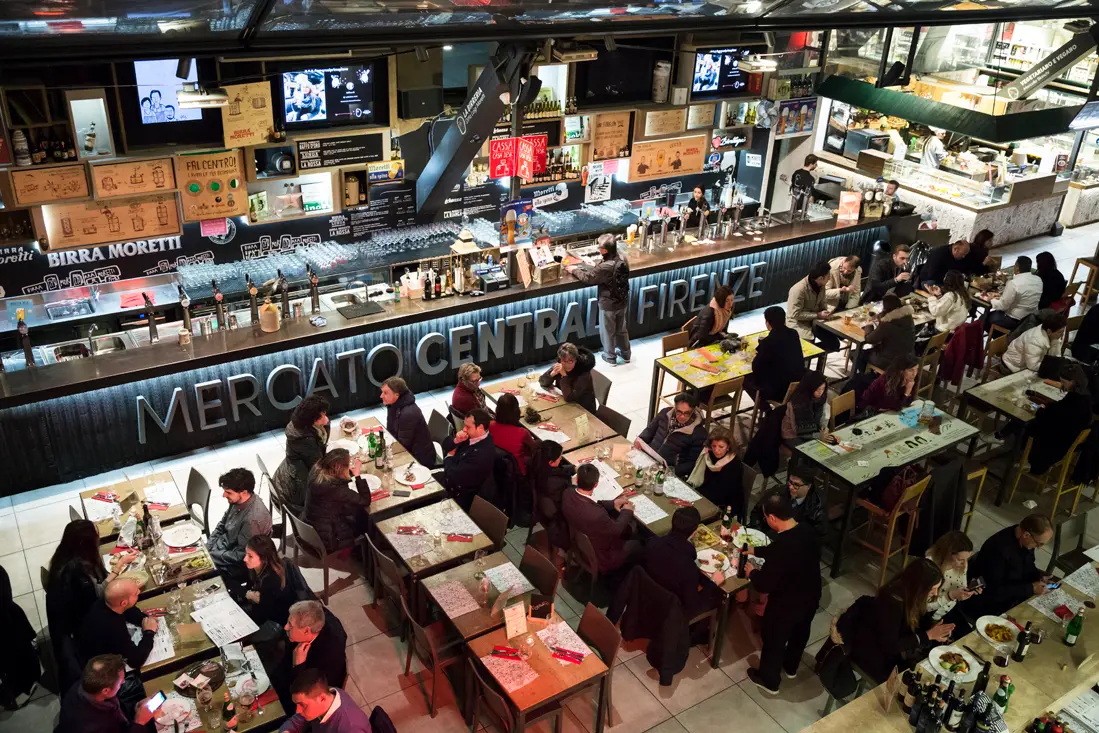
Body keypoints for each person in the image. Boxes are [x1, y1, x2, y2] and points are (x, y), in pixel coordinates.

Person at [47, 520, 140, 692]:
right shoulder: (76, 575)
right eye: (96, 539)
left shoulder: (64, 558)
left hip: (74, 623)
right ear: (86, 544)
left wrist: (117, 567)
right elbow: (100, 595)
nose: (99, 540)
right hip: (81, 628)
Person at [745, 491, 822, 693]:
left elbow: (764, 584)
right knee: (800, 632)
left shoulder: (782, 547)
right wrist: (757, 551)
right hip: (811, 595)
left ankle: (769, 680)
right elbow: (783, 550)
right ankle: (790, 667)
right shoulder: (806, 530)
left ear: (771, 518)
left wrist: (752, 571)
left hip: (786, 603)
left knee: (774, 639)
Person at [835, 559, 954, 684]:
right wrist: (928, 635)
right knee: (919, 682)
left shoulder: (911, 596)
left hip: (894, 649)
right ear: (919, 586)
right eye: (932, 589)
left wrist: (935, 631)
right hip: (873, 655)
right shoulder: (892, 602)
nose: (935, 593)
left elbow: (920, 620)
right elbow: (890, 646)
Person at [961, 514, 1053, 619]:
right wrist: (1030, 588)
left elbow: (1027, 565)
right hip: (988, 603)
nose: (1039, 548)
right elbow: (994, 591)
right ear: (1026, 535)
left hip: (1013, 593)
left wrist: (1039, 577)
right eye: (1039, 544)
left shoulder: (1024, 540)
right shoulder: (998, 550)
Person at [561, 463, 641, 576]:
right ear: (596, 484)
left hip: (578, 541)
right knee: (637, 544)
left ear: (577, 480)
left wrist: (613, 503)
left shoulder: (567, 493)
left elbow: (593, 503)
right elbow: (616, 529)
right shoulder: (597, 515)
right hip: (600, 554)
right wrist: (627, 511)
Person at [643, 506, 723, 619]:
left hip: (648, 597)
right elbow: (693, 606)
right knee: (717, 595)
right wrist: (713, 582)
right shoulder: (689, 568)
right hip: (672, 613)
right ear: (694, 532)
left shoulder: (652, 544)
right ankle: (704, 630)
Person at [566, 234, 631, 365]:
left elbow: (588, 279)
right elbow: (606, 271)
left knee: (607, 331)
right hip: (622, 301)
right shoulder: (622, 258)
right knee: (621, 330)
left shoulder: (604, 267)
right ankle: (626, 354)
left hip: (609, 304)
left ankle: (610, 357)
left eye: (600, 247)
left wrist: (574, 270)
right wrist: (595, 264)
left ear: (604, 250)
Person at [55, 654, 162, 733]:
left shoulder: (85, 685)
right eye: (120, 682)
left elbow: (113, 708)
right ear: (105, 690)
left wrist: (135, 707)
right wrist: (139, 722)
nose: (124, 681)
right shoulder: (91, 726)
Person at [1022, 362, 1093, 475]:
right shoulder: (1083, 395)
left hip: (1059, 443)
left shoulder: (1077, 400)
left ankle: (1027, 458)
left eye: (1064, 382)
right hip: (1069, 437)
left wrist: (1040, 411)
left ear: (1074, 381)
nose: (1061, 384)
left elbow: (1056, 419)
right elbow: (1060, 410)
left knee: (1028, 425)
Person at [76, 579, 158, 671]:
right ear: (123, 603)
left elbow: (127, 609)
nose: (139, 592)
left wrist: (143, 619)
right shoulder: (112, 627)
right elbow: (136, 660)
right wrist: (149, 632)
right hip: (98, 667)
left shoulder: (106, 602)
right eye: (135, 593)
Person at [208, 467, 272, 582]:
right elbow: (222, 524)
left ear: (244, 492)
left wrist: (213, 556)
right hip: (222, 548)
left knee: (199, 578)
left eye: (228, 492)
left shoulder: (252, 520)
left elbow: (242, 555)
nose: (223, 495)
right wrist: (209, 545)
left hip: (235, 563)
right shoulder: (238, 500)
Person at [303, 449, 372, 552]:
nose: (349, 467)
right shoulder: (335, 489)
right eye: (348, 465)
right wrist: (357, 475)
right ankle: (364, 553)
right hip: (328, 537)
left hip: (311, 525)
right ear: (339, 468)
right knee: (363, 517)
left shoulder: (316, 471)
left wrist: (348, 474)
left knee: (352, 509)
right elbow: (365, 500)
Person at [281, 601, 348, 705]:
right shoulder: (316, 615)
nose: (285, 627)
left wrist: (299, 665)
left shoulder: (328, 655)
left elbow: (307, 693)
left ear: (307, 631)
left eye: (290, 625)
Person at [273, 395, 330, 516]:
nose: (326, 416)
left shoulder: (299, 425)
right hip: (295, 491)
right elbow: (319, 467)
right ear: (312, 419)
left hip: (286, 475)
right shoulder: (305, 439)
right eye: (323, 414)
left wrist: (324, 424)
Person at [636, 392, 708, 478]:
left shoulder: (698, 433)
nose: (682, 416)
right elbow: (649, 431)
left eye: (686, 413)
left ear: (692, 411)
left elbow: (692, 463)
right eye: (679, 412)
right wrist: (639, 440)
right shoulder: (664, 414)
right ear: (675, 407)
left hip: (669, 471)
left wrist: (673, 471)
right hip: (649, 459)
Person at [745, 306, 806, 404]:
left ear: (768, 323)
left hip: (778, 390)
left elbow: (755, 367)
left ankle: (766, 409)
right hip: (797, 386)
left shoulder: (768, 342)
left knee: (745, 379)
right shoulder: (793, 333)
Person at [280, 668, 371, 733]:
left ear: (322, 699)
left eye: (302, 705)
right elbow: (297, 720)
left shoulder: (351, 728)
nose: (297, 710)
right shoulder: (327, 694)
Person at [441, 408, 497, 510]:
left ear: (480, 427)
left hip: (460, 497)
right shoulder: (470, 437)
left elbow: (454, 475)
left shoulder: (482, 454)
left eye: (468, 427)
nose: (464, 429)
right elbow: (445, 445)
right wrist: (456, 440)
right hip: (449, 480)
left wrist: (449, 457)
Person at [747, 464, 825, 538]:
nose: (791, 487)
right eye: (790, 482)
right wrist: (757, 533)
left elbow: (813, 538)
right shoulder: (778, 491)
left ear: (808, 486)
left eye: (796, 485)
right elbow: (757, 511)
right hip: (764, 534)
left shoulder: (816, 509)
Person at [0, 565, 38, 710]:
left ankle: (23, 685)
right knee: (15, 658)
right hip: (8, 625)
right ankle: (23, 687)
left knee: (15, 658)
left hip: (8, 622)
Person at [241, 535, 299, 629]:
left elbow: (263, 612)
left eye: (250, 556)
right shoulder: (255, 567)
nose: (245, 559)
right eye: (246, 554)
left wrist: (247, 594)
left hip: (275, 620)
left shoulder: (273, 580)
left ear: (263, 559)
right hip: (261, 609)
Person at [687, 426, 745, 518]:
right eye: (714, 446)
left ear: (728, 447)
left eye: (721, 447)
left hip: (724, 504)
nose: (716, 450)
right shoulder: (708, 455)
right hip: (706, 494)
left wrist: (698, 499)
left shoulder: (734, 464)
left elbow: (725, 492)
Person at [529, 440, 575, 553]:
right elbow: (569, 498)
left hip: (544, 513)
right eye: (560, 458)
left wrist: (572, 468)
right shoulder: (554, 483)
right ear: (551, 462)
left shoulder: (536, 467)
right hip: (562, 520)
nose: (561, 459)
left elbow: (558, 470)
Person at [381, 376, 436, 469]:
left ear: (397, 395)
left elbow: (402, 446)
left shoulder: (407, 413)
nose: (381, 396)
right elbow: (391, 431)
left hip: (420, 459)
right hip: (409, 450)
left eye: (385, 393)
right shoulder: (393, 405)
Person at [786, 260, 840, 352]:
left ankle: (819, 357)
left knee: (834, 343)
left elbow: (822, 303)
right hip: (797, 323)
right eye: (828, 276)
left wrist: (825, 312)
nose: (829, 279)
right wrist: (818, 315)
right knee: (809, 347)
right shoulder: (798, 290)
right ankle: (804, 361)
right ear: (820, 278)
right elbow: (795, 314)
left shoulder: (821, 286)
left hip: (815, 321)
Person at [925, 531, 976, 622]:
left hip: (948, 610)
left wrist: (968, 590)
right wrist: (950, 596)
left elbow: (961, 585)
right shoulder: (930, 568)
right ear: (947, 554)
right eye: (960, 559)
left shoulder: (962, 564)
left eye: (967, 559)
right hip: (930, 615)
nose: (965, 563)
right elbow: (923, 607)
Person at [860, 293, 916, 373]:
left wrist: (868, 326)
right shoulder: (908, 317)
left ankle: (870, 379)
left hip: (890, 361)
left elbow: (869, 339)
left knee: (857, 354)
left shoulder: (886, 325)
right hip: (908, 357)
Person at [539, 342, 598, 413]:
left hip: (582, 408)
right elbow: (542, 382)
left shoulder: (583, 372)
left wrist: (564, 376)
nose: (566, 364)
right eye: (564, 361)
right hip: (562, 403)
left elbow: (569, 397)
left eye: (570, 361)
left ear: (575, 360)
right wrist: (551, 374)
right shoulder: (560, 364)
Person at [989, 255, 1043, 332]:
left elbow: (1003, 306)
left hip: (1015, 320)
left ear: (1017, 267)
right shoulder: (1038, 280)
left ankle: (1000, 339)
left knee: (987, 318)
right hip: (1031, 318)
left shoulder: (1014, 283)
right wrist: (1006, 282)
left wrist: (991, 300)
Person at [1002, 312, 1066, 374]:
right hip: (1012, 366)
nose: (1062, 334)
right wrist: (1052, 367)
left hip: (1028, 365)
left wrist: (1057, 364)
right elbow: (1032, 366)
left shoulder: (1053, 335)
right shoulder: (1035, 340)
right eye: (1060, 332)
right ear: (1049, 331)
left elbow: (1056, 356)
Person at [489, 392, 537, 475]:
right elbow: (535, 449)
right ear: (517, 411)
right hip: (517, 473)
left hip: (495, 469)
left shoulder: (489, 426)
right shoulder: (522, 433)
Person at [781, 370, 831, 447]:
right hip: (792, 435)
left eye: (823, 389)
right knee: (813, 449)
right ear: (810, 388)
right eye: (818, 389)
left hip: (813, 432)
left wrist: (824, 427)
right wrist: (819, 436)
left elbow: (822, 416)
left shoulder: (821, 398)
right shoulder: (797, 403)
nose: (821, 392)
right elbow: (798, 430)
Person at [925, 270, 970, 334]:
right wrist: (939, 295)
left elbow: (935, 311)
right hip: (957, 330)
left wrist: (931, 296)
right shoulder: (963, 294)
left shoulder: (951, 296)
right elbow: (946, 306)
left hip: (945, 332)